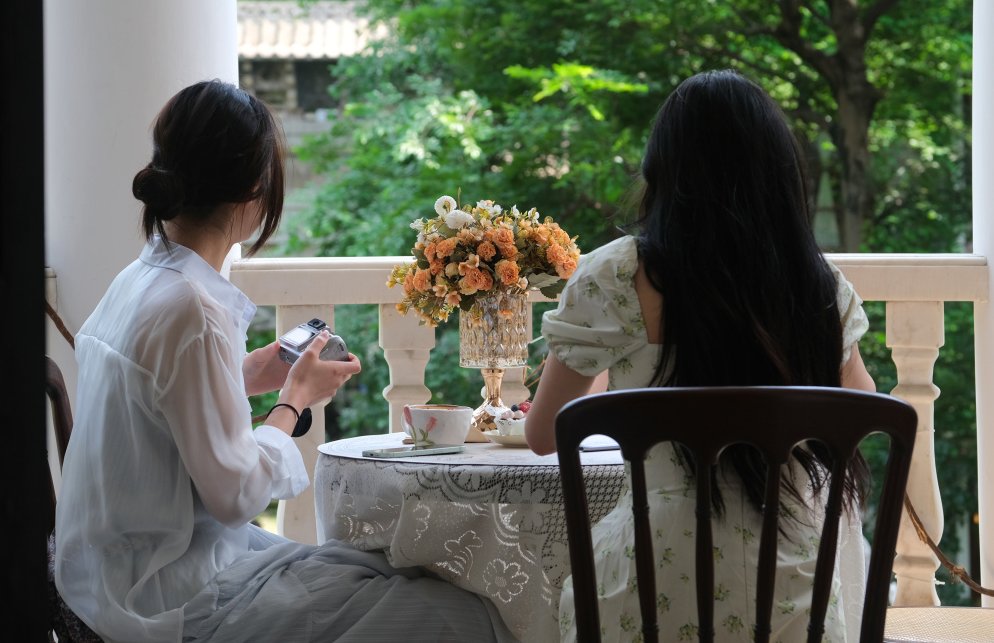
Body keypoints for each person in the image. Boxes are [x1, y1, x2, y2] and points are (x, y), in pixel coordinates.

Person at [55, 79, 514, 643]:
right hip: (174, 599)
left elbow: (156, 403)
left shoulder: (140, 279)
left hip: (107, 580)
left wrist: (249, 372)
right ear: (253, 186)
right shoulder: (190, 308)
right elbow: (235, 494)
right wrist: (293, 402)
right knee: (458, 615)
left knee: (378, 571)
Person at [525, 69, 876, 642]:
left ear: (663, 169)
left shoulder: (617, 277)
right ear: (780, 174)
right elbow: (861, 422)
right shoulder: (817, 287)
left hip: (646, 582)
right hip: (786, 583)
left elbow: (544, 435)